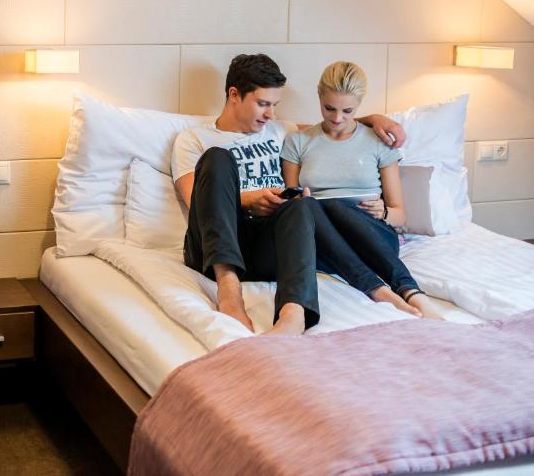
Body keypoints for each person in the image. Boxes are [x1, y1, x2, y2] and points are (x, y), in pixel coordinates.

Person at [171, 54, 406, 335]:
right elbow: (195, 200)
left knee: (302, 204)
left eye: (274, 105)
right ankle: (229, 291)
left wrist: (375, 119)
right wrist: (250, 199)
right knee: (218, 158)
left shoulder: (282, 131)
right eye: (262, 104)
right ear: (234, 94)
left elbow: (334, 123)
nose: (270, 114)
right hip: (215, 246)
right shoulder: (193, 139)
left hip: (265, 249)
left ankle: (293, 314)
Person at [280, 61, 442, 320]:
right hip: (321, 240)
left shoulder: (377, 142)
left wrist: (385, 213)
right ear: (319, 96)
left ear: (360, 104)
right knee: (316, 206)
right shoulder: (297, 141)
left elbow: (400, 214)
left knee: (333, 205)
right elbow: (292, 202)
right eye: (329, 108)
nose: (336, 118)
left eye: (347, 111)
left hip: (373, 237)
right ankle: (388, 290)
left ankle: (410, 291)